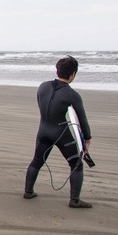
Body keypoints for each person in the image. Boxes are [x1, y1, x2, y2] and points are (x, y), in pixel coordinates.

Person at [23, 55, 93, 208]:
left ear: (57, 70)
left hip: (43, 131)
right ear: (73, 74)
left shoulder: (42, 86)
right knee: (76, 164)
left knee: (37, 161)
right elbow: (82, 120)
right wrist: (87, 139)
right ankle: (74, 200)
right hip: (61, 132)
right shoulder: (72, 95)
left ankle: (28, 191)